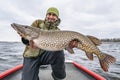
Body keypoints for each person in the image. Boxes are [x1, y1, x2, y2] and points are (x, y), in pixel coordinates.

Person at [21, 7, 77, 80]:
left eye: (54, 15)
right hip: (31, 56)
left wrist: (70, 46)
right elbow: (26, 41)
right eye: (49, 14)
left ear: (57, 18)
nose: (51, 16)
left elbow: (65, 46)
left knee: (59, 51)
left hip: (46, 56)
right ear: (46, 15)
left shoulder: (58, 31)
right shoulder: (37, 23)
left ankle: (58, 77)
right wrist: (25, 37)